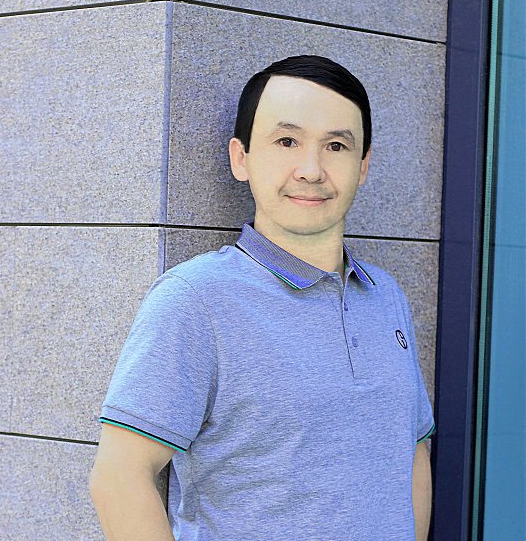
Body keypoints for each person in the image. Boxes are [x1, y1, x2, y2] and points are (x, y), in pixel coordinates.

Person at [89, 54, 436, 541]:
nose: (311, 170)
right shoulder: (195, 300)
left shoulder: (386, 297)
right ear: (242, 158)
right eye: (287, 141)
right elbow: (119, 478)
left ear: (363, 166)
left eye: (336, 146)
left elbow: (412, 452)